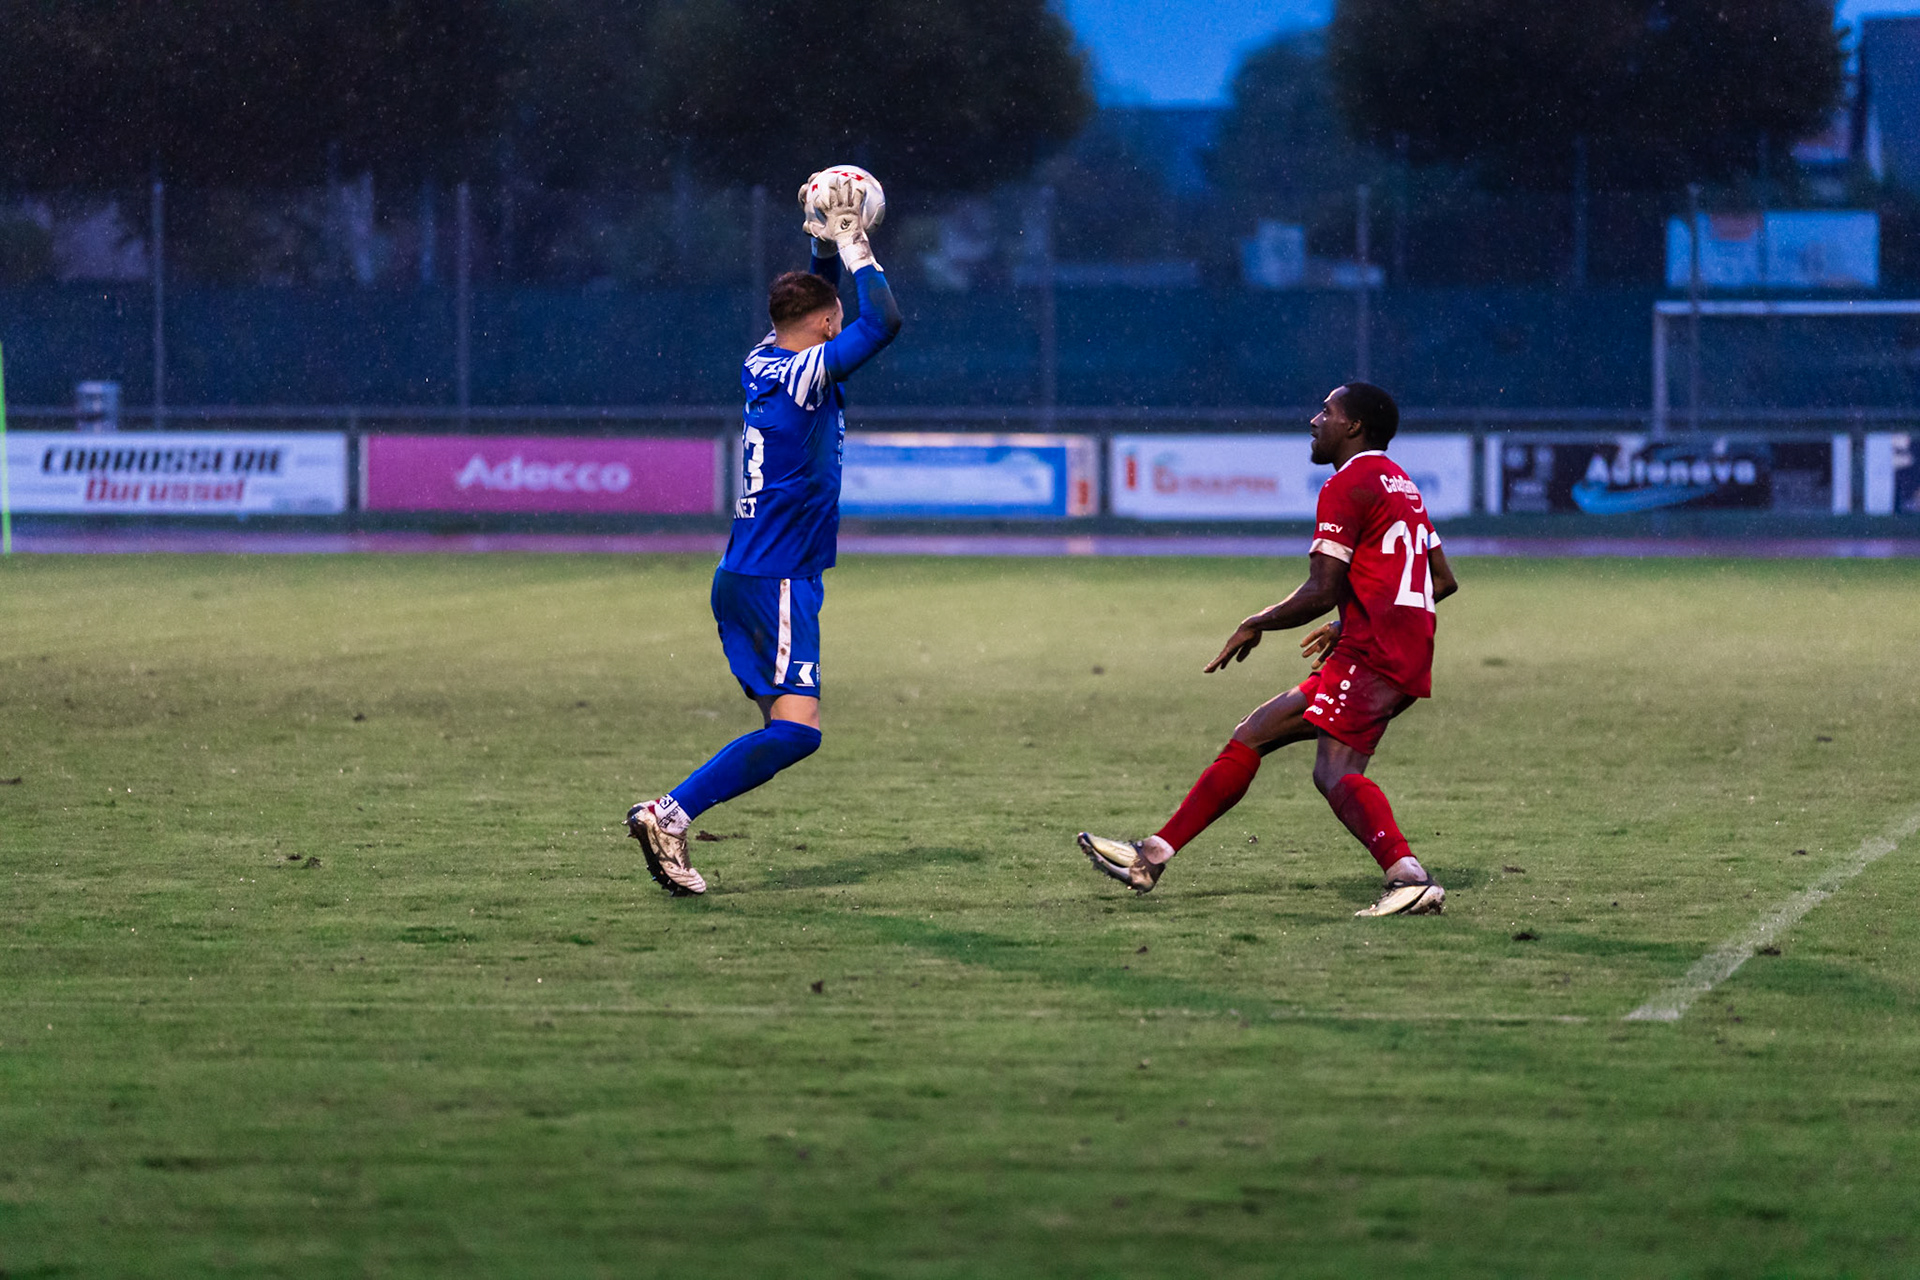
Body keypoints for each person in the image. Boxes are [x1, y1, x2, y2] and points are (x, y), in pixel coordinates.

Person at [1077, 382, 1459, 917]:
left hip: (1374, 654)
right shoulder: (1402, 484)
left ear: (1352, 427)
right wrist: (1348, 619)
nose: (1314, 420)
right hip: (1383, 646)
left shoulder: (1348, 484)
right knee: (1254, 732)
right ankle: (1152, 856)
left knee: (1335, 771)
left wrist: (1256, 621)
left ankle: (1409, 877)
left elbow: (1320, 587)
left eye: (1326, 411)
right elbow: (1440, 579)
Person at [626, 174, 902, 896]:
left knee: (781, 730)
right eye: (832, 317)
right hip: (777, 576)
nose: (840, 326)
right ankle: (669, 813)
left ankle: (674, 819)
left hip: (745, 573)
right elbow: (884, 324)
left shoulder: (763, 360)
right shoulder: (809, 369)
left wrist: (817, 248)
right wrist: (856, 248)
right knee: (798, 732)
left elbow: (813, 308)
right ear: (821, 327)